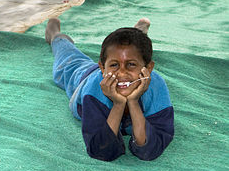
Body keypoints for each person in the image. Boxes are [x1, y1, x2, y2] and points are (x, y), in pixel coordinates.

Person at [45, 17, 174, 161]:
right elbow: (100, 150)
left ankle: (138, 32)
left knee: (135, 46)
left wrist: (133, 102)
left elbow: (151, 149)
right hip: (84, 76)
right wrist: (119, 104)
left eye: (131, 64)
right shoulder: (92, 91)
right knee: (68, 58)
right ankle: (55, 35)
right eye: (114, 65)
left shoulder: (157, 87)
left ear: (148, 69)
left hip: (118, 65)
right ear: (102, 68)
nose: (122, 73)